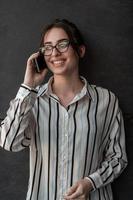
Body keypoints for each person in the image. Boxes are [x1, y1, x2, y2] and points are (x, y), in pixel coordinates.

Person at [0, 19, 127, 200]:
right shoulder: (32, 101)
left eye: (62, 44)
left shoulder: (106, 100)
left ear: (80, 50)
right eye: (48, 47)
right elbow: (9, 143)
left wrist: (91, 182)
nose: (55, 53)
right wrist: (29, 85)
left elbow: (118, 157)